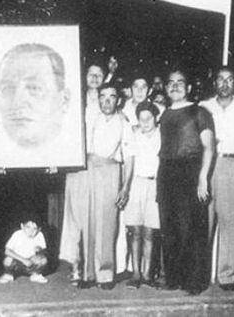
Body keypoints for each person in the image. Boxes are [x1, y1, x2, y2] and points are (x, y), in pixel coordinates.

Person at [157, 69, 214, 295]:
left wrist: (202, 178)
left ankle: (194, 281)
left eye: (180, 82)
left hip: (190, 171)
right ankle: (174, 279)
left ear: (188, 88)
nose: (175, 86)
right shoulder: (164, 114)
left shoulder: (199, 112)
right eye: (170, 83)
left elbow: (209, 147)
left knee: (191, 227)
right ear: (166, 88)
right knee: (169, 227)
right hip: (166, 172)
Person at [79, 83, 135, 290]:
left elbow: (129, 157)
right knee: (88, 222)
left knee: (107, 224)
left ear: (118, 100)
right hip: (88, 170)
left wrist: (125, 187)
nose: (107, 101)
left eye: (111, 97)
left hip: (111, 171)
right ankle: (88, 274)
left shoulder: (123, 123)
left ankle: (105, 274)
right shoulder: (90, 117)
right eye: (103, 96)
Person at [0, 43, 81, 168]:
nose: (17, 101)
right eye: (8, 89)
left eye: (34, 88)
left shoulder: (73, 157)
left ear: (64, 100)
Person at [201, 66, 234, 291]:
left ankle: (226, 276)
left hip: (231, 165)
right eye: (220, 79)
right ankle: (200, 274)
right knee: (204, 222)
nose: (224, 84)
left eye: (229, 80)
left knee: (229, 223)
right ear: (215, 83)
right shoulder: (204, 107)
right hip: (207, 166)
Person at [59, 63, 104, 284]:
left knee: (96, 218)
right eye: (91, 74)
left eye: (99, 74)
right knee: (75, 216)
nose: (94, 78)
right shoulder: (74, 100)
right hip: (76, 165)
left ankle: (93, 269)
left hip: (100, 166)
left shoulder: (109, 101)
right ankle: (75, 265)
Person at [124, 101, 162, 289]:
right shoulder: (133, 134)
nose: (145, 122)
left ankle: (147, 274)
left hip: (154, 184)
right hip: (136, 183)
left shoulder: (163, 135)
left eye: (149, 118)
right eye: (141, 119)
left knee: (149, 232)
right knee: (135, 231)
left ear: (156, 118)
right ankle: (136, 273)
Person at [0, 219, 49, 284]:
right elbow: (7, 251)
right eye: (28, 227)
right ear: (22, 226)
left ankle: (36, 275)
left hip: (31, 261)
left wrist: (39, 250)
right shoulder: (17, 234)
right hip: (17, 260)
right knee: (8, 260)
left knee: (43, 260)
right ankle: (9, 274)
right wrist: (24, 260)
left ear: (39, 229)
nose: (31, 231)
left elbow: (43, 251)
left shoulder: (40, 235)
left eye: (34, 228)